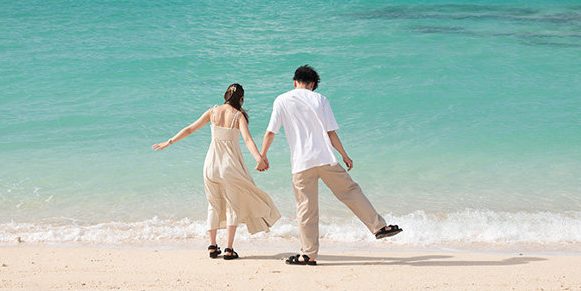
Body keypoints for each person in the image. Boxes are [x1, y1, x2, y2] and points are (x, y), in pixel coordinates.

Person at [258, 65, 402, 266]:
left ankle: (308, 254)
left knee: (306, 209)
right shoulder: (321, 99)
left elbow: (270, 132)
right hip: (325, 159)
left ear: (294, 82)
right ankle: (378, 227)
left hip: (301, 163)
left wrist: (262, 156)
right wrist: (345, 155)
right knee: (351, 191)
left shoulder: (281, 100)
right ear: (313, 84)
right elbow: (331, 132)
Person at [153, 84, 280, 260]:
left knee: (213, 205)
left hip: (211, 166)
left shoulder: (212, 112)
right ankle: (229, 249)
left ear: (224, 95)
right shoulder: (238, 116)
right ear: (241, 99)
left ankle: (212, 247)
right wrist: (259, 158)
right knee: (232, 207)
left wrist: (169, 142)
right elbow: (247, 139)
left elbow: (190, 128)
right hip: (230, 167)